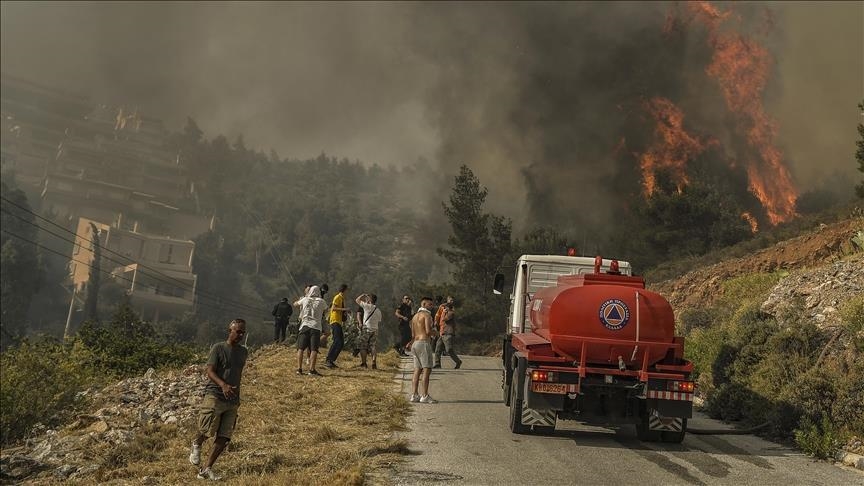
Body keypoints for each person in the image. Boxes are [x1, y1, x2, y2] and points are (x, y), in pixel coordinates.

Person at [189, 319, 249, 481]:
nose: (241, 335)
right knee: (207, 428)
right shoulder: (219, 348)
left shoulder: (243, 351)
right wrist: (223, 385)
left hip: (232, 400)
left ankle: (206, 469)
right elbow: (209, 371)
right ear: (230, 330)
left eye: (243, 332)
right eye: (238, 331)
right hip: (215, 394)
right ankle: (196, 443)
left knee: (224, 436)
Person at [407, 297, 436, 403]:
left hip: (415, 343)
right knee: (427, 369)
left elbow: (413, 334)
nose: (432, 307)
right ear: (423, 304)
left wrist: (410, 343)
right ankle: (424, 395)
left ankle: (414, 395)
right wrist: (436, 333)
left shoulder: (414, 317)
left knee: (417, 370)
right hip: (424, 343)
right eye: (430, 304)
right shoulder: (427, 315)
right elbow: (428, 331)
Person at [295, 285, 327, 375]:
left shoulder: (305, 299)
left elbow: (295, 304)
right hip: (316, 327)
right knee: (314, 349)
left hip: (304, 326)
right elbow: (326, 309)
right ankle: (312, 370)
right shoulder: (322, 301)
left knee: (300, 348)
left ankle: (299, 369)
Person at [434, 296, 463, 369]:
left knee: (449, 349)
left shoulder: (451, 312)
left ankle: (458, 361)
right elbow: (438, 316)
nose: (444, 308)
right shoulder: (443, 308)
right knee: (438, 349)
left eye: (452, 300)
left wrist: (444, 312)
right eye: (450, 300)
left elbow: (444, 319)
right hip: (442, 332)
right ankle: (437, 364)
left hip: (448, 333)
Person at [355, 292, 382, 369]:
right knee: (373, 346)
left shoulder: (367, 306)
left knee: (363, 346)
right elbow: (379, 320)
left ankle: (364, 363)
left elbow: (357, 300)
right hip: (375, 329)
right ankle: (374, 362)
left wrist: (363, 295)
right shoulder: (378, 310)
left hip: (367, 329)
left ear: (369, 300)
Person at [325, 284, 349, 368]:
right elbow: (333, 308)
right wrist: (344, 309)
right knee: (337, 341)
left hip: (339, 321)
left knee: (341, 342)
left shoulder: (342, 298)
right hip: (335, 320)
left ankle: (332, 360)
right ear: (345, 290)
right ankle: (328, 359)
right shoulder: (337, 297)